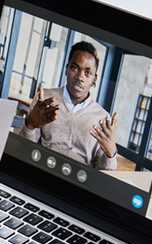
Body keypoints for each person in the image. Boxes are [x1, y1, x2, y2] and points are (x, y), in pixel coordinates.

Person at [19, 41, 119, 170]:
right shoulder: (44, 98)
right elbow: (24, 150)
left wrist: (110, 154)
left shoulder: (103, 118)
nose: (80, 77)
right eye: (75, 68)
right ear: (66, 69)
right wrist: (30, 125)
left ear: (94, 79)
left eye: (87, 73)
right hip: (41, 170)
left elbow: (104, 174)